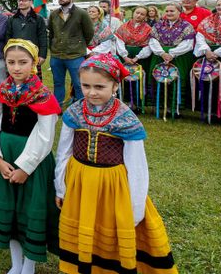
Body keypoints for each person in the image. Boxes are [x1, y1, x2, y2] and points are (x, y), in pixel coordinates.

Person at [55, 53, 177, 274]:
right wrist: (61, 187)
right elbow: (64, 152)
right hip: (80, 183)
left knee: (110, 231)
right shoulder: (74, 112)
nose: (92, 92)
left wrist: (135, 207)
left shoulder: (126, 119)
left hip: (112, 186)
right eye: (86, 85)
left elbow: (137, 166)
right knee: (83, 228)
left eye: (99, 86)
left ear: (115, 86)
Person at [0, 39, 61, 274]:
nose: (16, 68)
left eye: (23, 62)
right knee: (10, 212)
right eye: (11, 62)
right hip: (4, 156)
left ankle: (29, 266)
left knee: (27, 211)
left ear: (34, 63)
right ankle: (16, 263)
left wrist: (25, 167)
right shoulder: (1, 90)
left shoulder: (42, 95)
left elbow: (44, 135)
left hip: (31, 160)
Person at [148, 3, 196, 117]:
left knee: (176, 79)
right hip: (159, 56)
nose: (169, 13)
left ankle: (175, 109)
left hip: (179, 57)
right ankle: (159, 107)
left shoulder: (186, 26)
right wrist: (162, 53)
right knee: (159, 78)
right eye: (167, 11)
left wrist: (172, 54)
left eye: (172, 11)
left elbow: (188, 44)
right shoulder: (158, 25)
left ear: (179, 12)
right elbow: (153, 41)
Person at [48, 0, 94, 105]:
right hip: (57, 55)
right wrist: (53, 46)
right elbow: (51, 33)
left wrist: (78, 45)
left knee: (78, 83)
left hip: (75, 55)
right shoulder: (54, 14)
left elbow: (89, 33)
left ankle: (80, 107)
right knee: (57, 82)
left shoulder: (81, 13)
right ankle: (57, 106)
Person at [114, 6, 153, 110]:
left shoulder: (148, 29)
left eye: (142, 14)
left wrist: (137, 57)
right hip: (125, 55)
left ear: (145, 16)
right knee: (124, 78)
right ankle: (123, 102)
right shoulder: (123, 27)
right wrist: (124, 56)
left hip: (140, 57)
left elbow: (149, 45)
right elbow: (119, 41)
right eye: (137, 12)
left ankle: (137, 104)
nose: (139, 15)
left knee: (138, 78)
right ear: (133, 13)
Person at [5, 0, 48, 76]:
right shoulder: (12, 19)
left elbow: (43, 37)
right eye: (19, 0)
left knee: (34, 82)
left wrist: (42, 55)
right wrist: (8, 53)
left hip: (33, 55)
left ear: (30, 2)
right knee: (16, 80)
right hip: (15, 55)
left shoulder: (38, 18)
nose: (21, 2)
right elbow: (8, 37)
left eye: (24, 0)